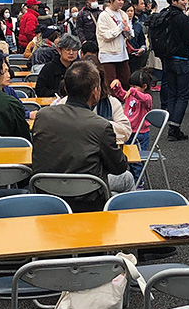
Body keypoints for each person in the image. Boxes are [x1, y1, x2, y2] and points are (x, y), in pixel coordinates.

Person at [31, 59, 131, 212]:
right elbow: (119, 167)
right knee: (127, 179)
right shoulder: (101, 126)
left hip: (46, 195)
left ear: (66, 88)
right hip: (88, 200)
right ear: (95, 91)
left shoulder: (43, 116)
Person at [152, 0, 189, 141]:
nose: (185, 2)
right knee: (183, 95)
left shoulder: (164, 15)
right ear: (174, 1)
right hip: (182, 59)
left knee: (172, 93)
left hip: (167, 58)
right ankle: (174, 127)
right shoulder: (181, 18)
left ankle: (171, 125)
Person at [111, 68, 153, 180]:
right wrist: (117, 86)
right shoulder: (130, 95)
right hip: (129, 131)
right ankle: (132, 180)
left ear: (144, 86)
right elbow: (122, 94)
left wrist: (134, 91)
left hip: (140, 133)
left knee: (137, 159)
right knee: (126, 157)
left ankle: (139, 181)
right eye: (131, 86)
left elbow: (144, 99)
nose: (131, 89)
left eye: (135, 86)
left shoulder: (147, 98)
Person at [96, 0, 134, 87]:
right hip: (108, 55)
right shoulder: (104, 15)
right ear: (111, 0)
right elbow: (106, 36)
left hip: (122, 54)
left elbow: (130, 35)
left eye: (123, 0)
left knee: (126, 81)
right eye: (119, 0)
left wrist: (128, 31)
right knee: (111, 84)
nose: (121, 2)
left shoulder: (123, 14)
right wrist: (120, 27)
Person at [35, 33, 81, 98]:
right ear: (59, 50)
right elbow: (40, 90)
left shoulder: (80, 68)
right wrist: (59, 93)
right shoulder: (49, 68)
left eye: (74, 50)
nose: (71, 53)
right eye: (68, 50)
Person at [125, 3, 148, 74]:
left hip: (135, 54)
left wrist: (142, 48)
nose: (130, 13)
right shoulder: (119, 24)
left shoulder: (137, 25)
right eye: (128, 11)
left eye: (132, 11)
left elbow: (142, 41)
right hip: (123, 55)